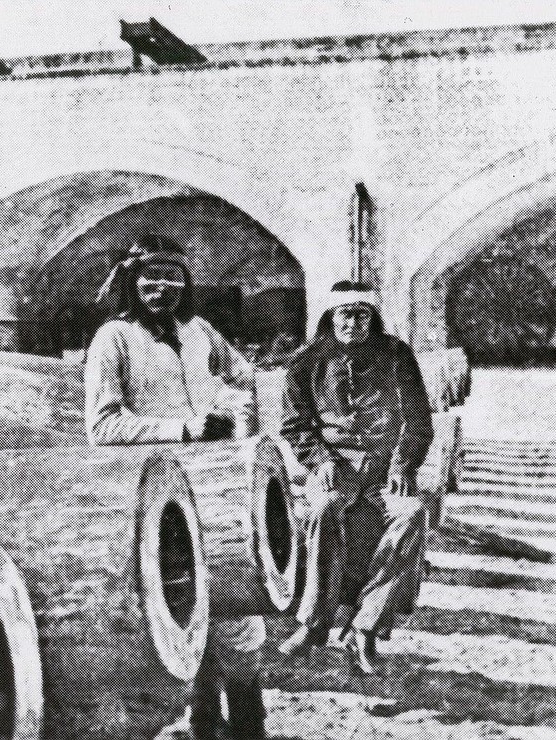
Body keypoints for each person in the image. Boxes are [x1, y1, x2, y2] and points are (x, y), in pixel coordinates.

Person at [85, 235, 266, 740]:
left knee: (238, 614)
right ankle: (204, 723)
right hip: (157, 499)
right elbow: (102, 426)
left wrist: (237, 416)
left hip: (213, 489)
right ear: (131, 283)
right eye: (150, 279)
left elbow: (245, 378)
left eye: (173, 278)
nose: (162, 288)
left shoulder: (200, 332)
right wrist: (181, 428)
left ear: (186, 284)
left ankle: (251, 727)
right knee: (189, 612)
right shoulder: (114, 339)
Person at [277, 281, 433, 674]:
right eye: (346, 314)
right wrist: (319, 459)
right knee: (324, 510)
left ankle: (366, 626)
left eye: (362, 315)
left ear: (373, 318)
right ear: (331, 317)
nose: (354, 323)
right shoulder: (305, 361)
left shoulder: (396, 355)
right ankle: (313, 625)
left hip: (384, 469)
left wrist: (402, 465)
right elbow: (295, 425)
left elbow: (418, 420)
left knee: (411, 513)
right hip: (334, 467)